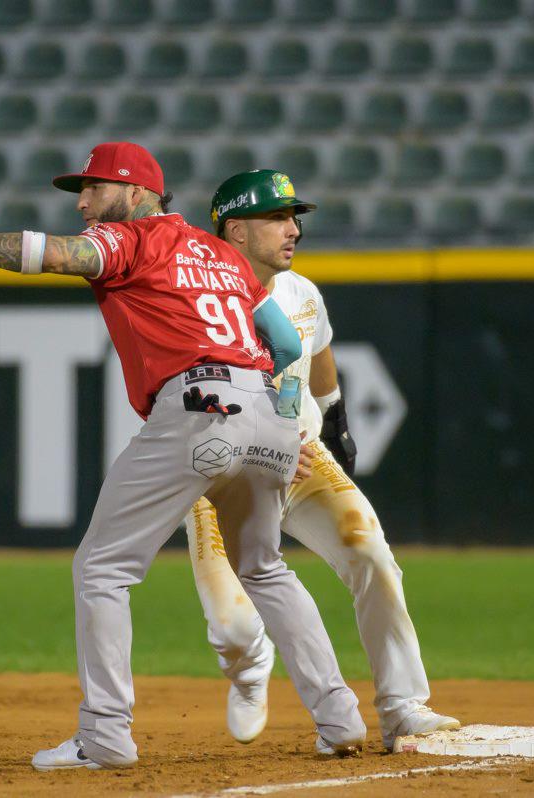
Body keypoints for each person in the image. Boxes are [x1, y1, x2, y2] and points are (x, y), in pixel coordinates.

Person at [0, 143, 367, 770]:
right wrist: (289, 427)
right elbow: (289, 340)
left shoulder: (130, 241)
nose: (82, 203)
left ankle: (105, 735)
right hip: (265, 417)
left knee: (102, 568)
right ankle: (341, 716)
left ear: (135, 194)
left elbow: (51, 256)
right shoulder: (221, 253)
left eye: (94, 188)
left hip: (199, 409)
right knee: (265, 570)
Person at [185, 170, 460, 754]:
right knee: (234, 628)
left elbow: (319, 349)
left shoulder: (301, 291)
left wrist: (334, 417)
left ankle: (402, 706)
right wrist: (270, 441)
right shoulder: (200, 301)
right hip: (219, 477)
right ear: (235, 230)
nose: (294, 229)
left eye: (295, 218)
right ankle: (260, 673)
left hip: (304, 460)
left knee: (369, 552)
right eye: (278, 218)